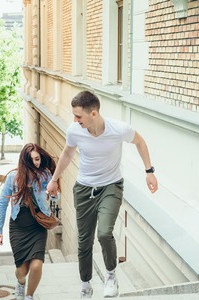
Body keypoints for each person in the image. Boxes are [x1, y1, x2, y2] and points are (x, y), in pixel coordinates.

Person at [46, 91, 158, 298]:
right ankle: (85, 285)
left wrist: (149, 172)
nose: (75, 120)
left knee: (105, 233)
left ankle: (111, 276)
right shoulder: (74, 130)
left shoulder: (119, 129)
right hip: (84, 189)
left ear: (93, 113)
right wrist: (54, 180)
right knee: (84, 240)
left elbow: (140, 142)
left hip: (111, 186)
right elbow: (67, 153)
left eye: (78, 116)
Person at [0, 143, 59, 300]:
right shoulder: (13, 178)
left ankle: (29, 296)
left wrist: (53, 193)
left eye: (38, 159)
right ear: (25, 161)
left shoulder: (45, 175)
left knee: (36, 265)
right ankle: (21, 282)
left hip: (37, 225)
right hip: (18, 227)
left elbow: (55, 198)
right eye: (33, 160)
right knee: (22, 271)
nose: (36, 163)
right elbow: (2, 204)